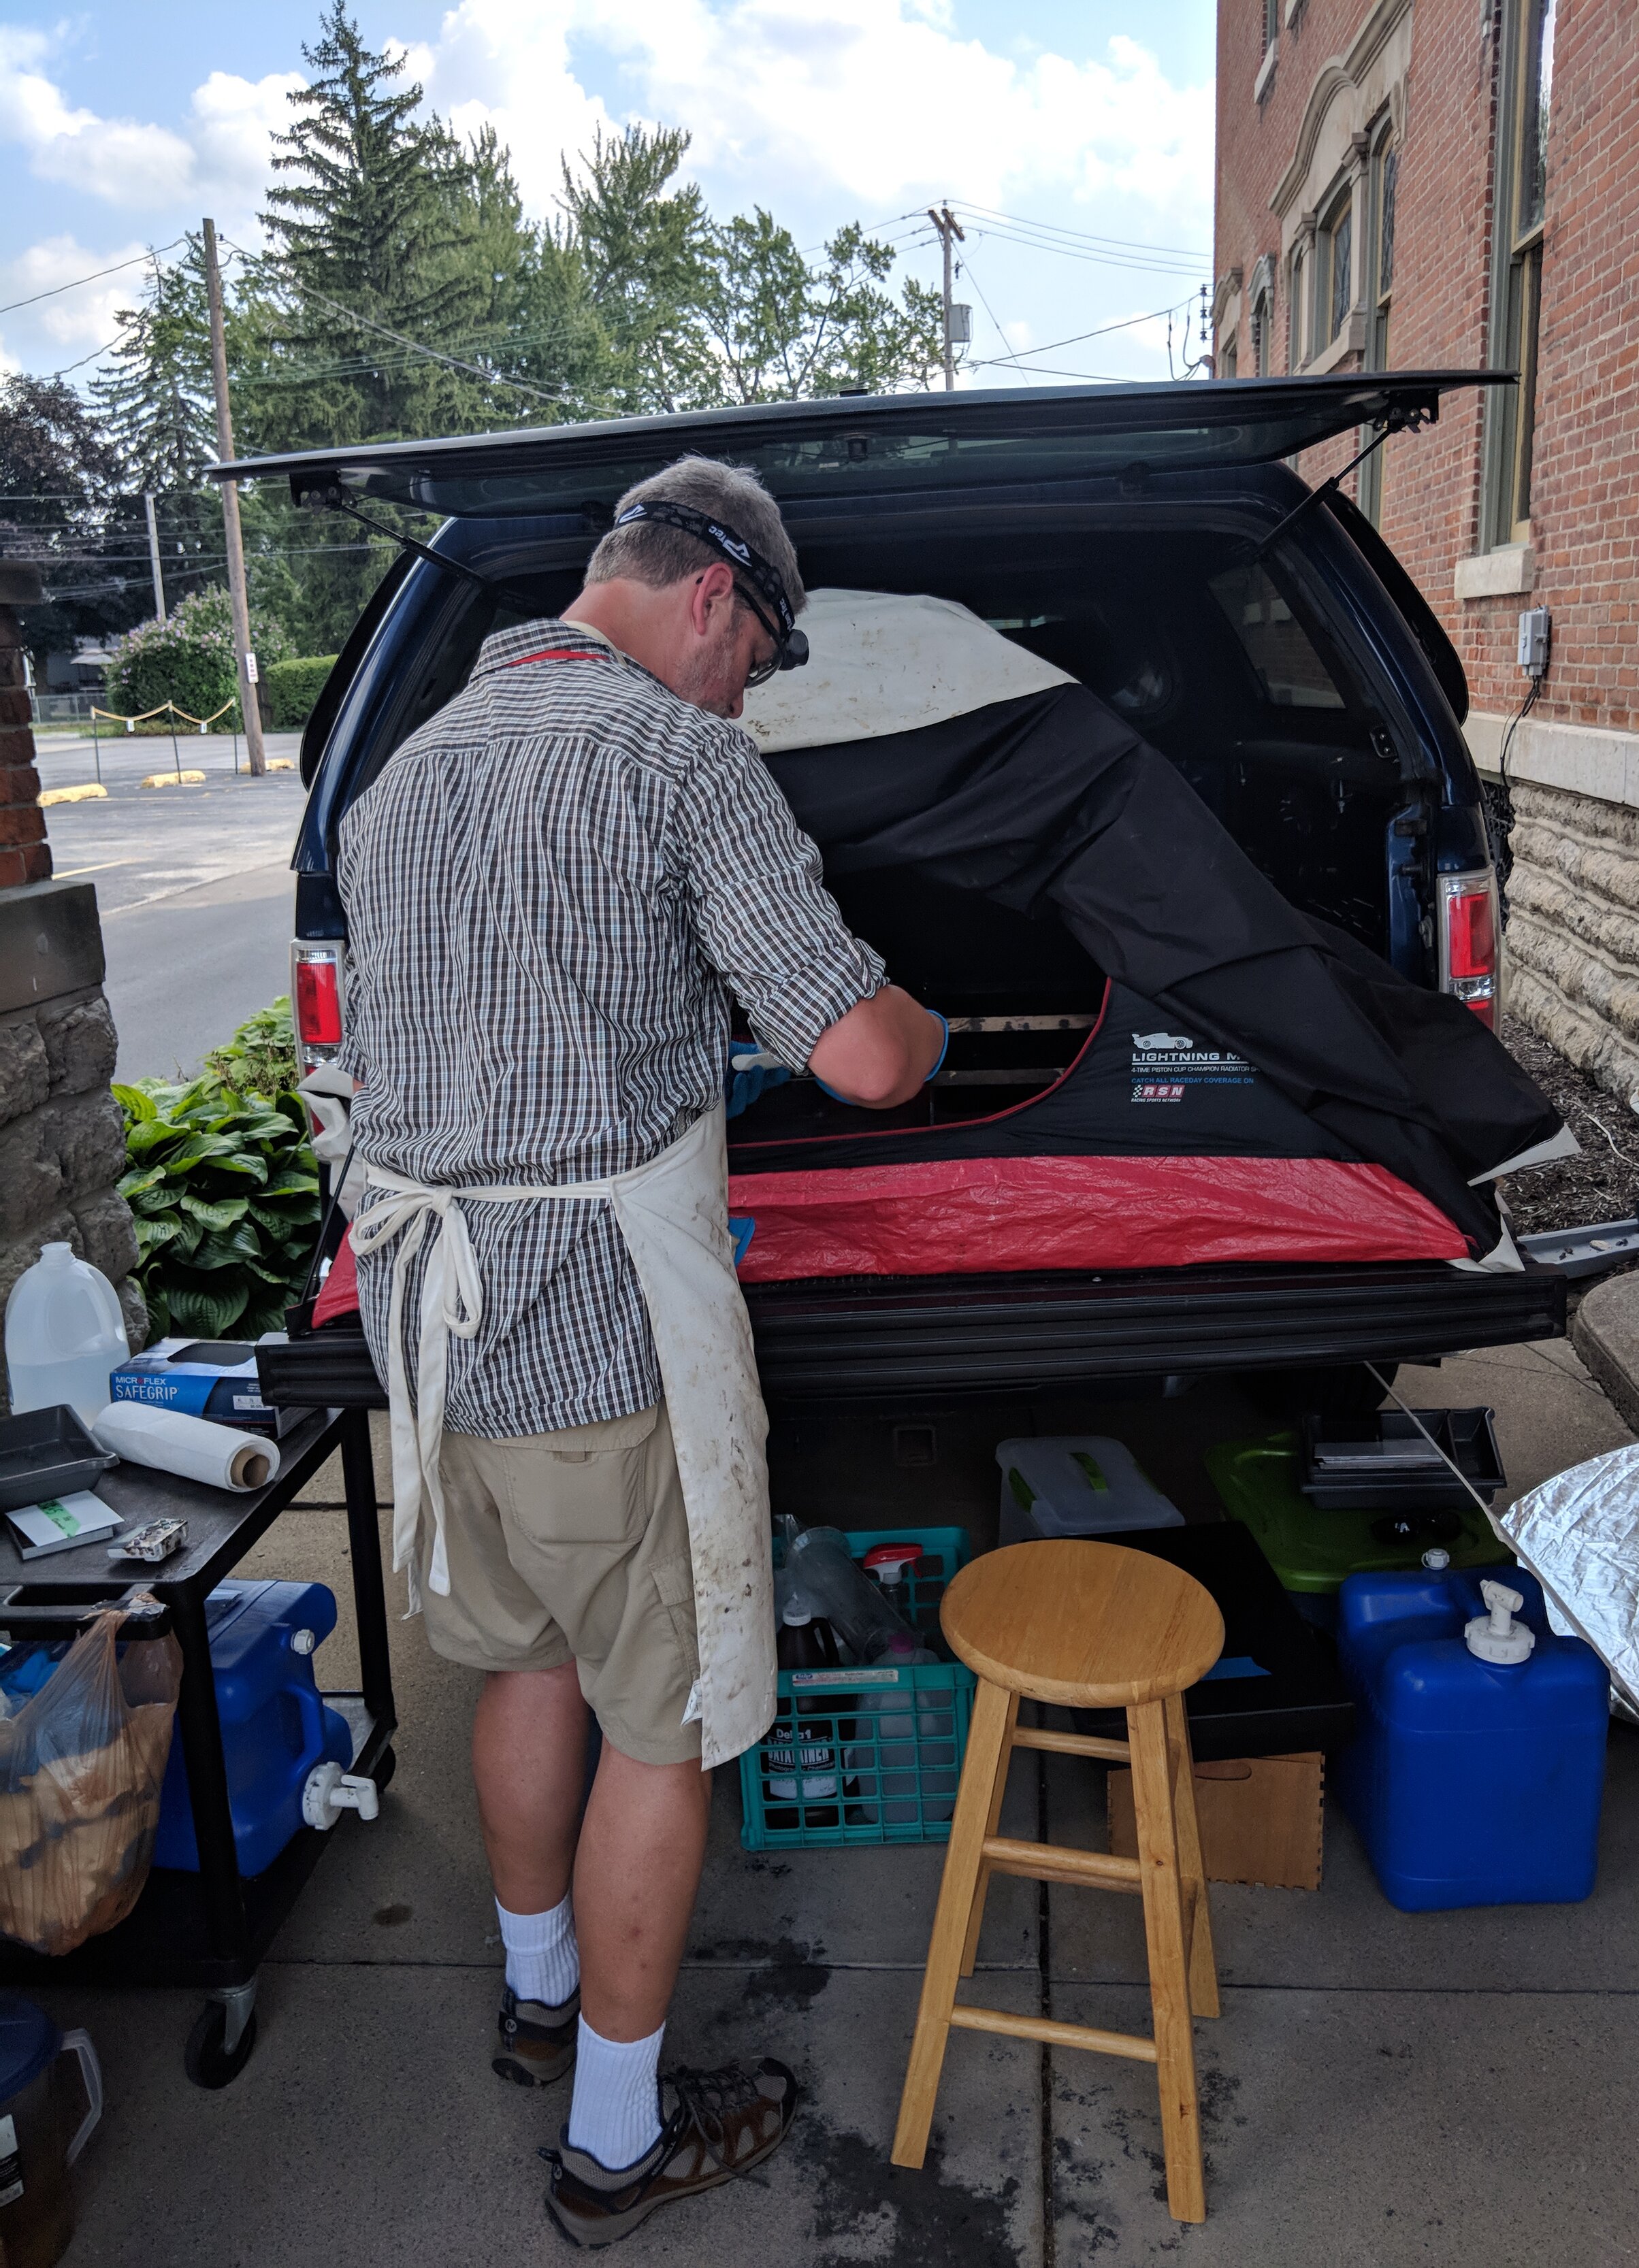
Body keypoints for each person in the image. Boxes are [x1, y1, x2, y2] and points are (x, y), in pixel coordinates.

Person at [335, 454, 944, 2246]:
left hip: (428, 1341)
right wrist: (914, 1002)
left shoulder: (400, 776)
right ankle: (613, 2144)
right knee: (662, 1731)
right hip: (606, 1332)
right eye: (762, 652)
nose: (753, 688)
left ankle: (536, 1991)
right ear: (711, 598)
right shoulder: (679, 760)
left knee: (517, 1665)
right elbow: (861, 1059)